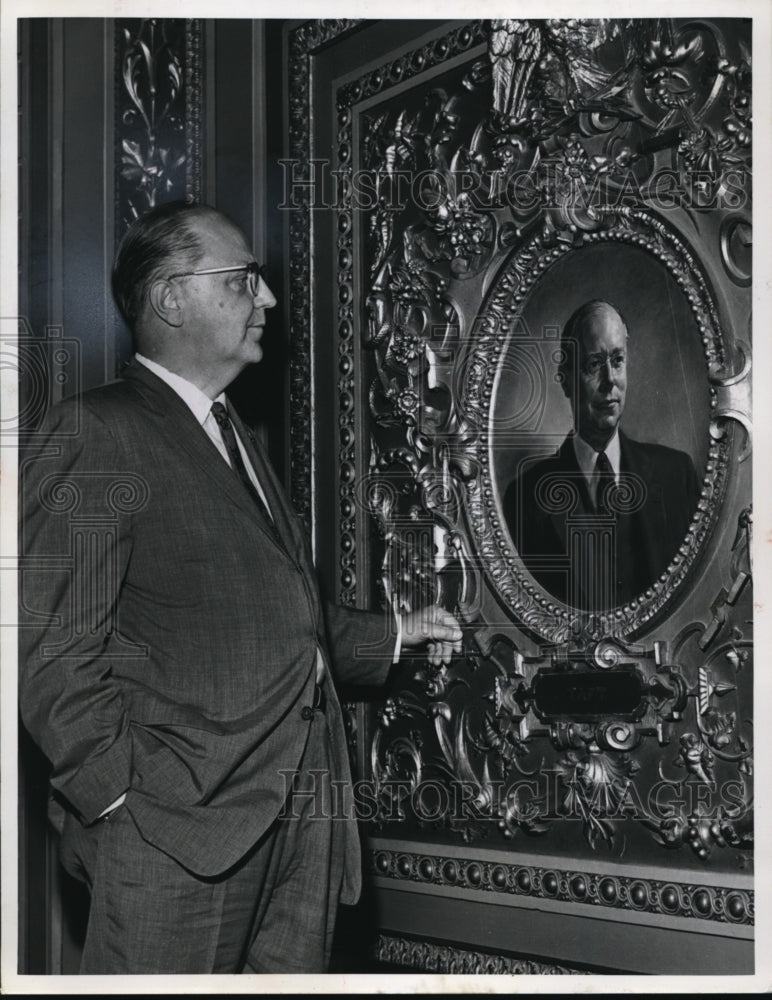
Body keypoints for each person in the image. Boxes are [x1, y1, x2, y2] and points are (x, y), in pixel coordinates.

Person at [18, 200, 463, 974]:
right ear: (170, 299)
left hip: (299, 831)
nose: (268, 300)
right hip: (177, 840)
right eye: (244, 280)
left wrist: (394, 633)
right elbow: (51, 651)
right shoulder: (95, 431)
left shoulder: (235, 438)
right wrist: (121, 802)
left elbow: (261, 614)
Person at [502, 299, 699, 610]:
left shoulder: (677, 474)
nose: (610, 381)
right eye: (594, 364)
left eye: (618, 360)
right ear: (565, 381)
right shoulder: (523, 499)